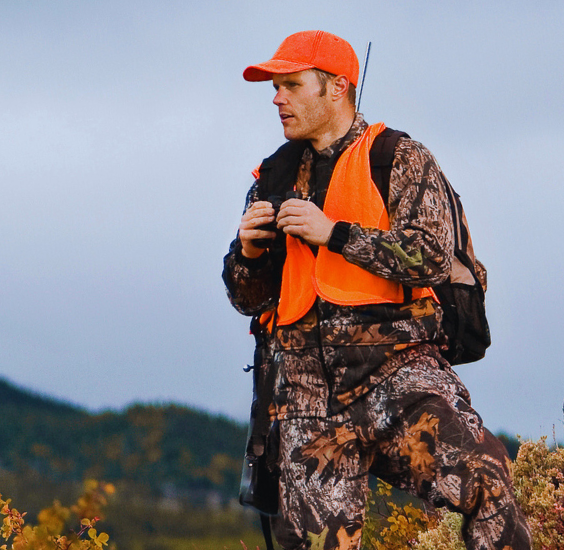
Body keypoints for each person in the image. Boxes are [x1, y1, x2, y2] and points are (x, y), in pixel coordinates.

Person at [222, 30, 532, 550]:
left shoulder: (400, 158)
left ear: (337, 86)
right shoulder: (271, 177)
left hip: (398, 376)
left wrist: (335, 234)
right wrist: (247, 253)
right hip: (304, 397)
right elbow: (248, 301)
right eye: (275, 87)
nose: (278, 98)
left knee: (486, 479)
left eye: (292, 85)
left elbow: (434, 256)